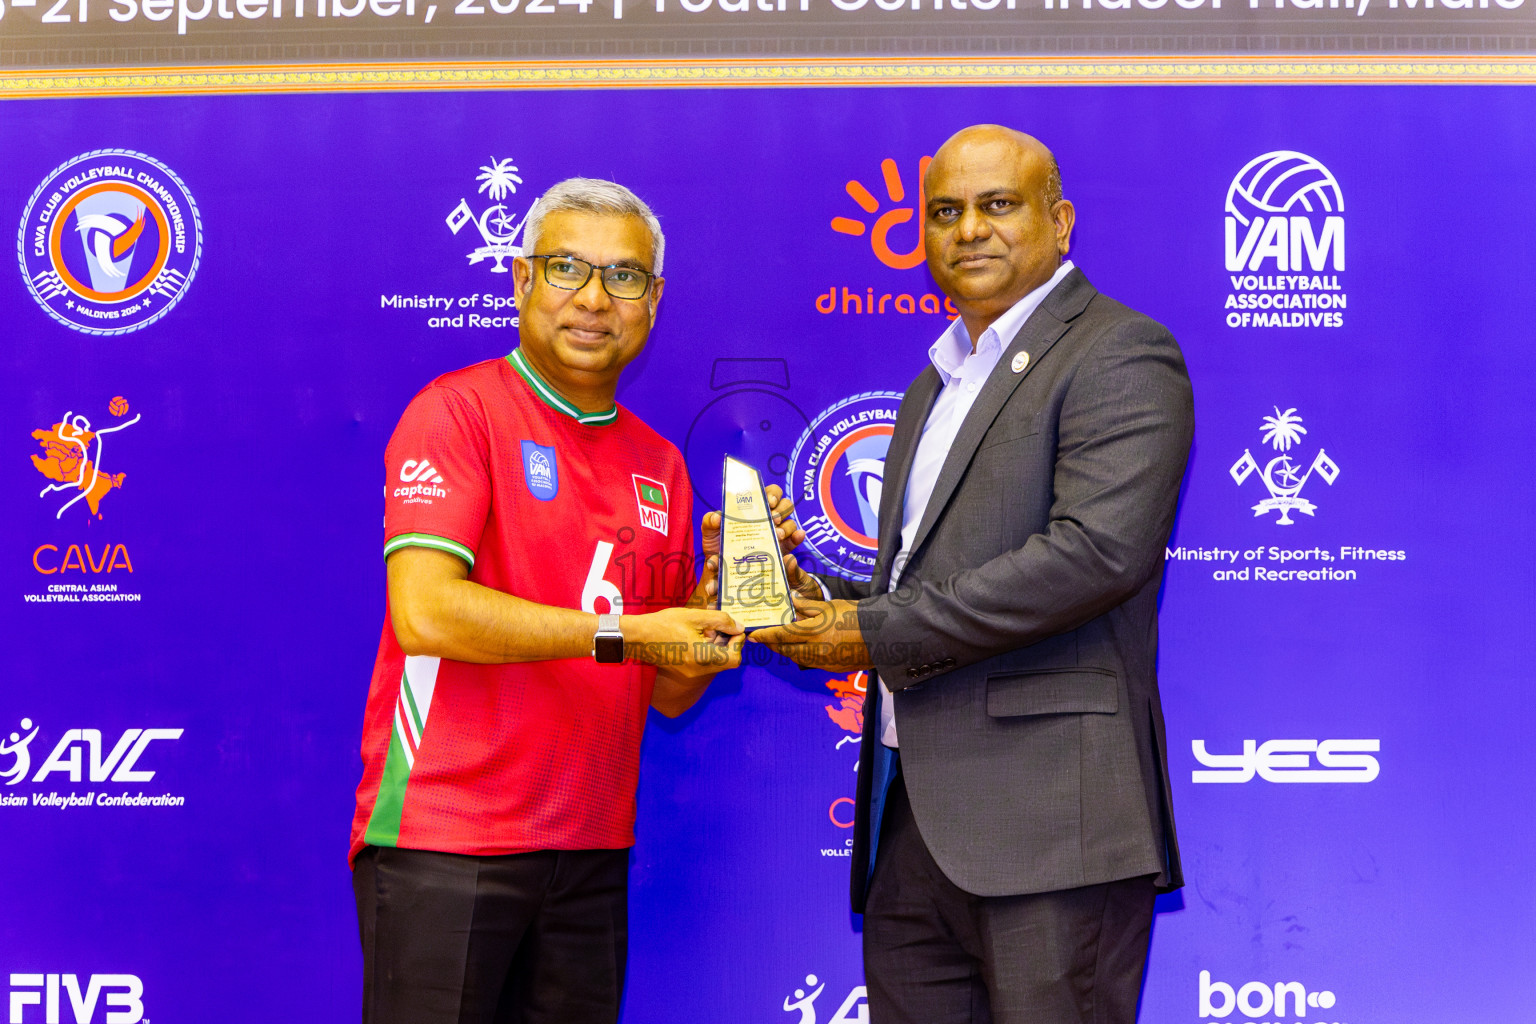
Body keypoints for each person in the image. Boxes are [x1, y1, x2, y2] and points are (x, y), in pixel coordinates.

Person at [753, 126, 1195, 1023]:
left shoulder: (1121, 352)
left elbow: (1095, 554)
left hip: (1050, 833)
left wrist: (867, 632)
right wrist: (813, 602)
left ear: (1059, 221)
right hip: (909, 821)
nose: (968, 231)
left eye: (998, 205)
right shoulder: (935, 384)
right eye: (945, 212)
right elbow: (920, 585)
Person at [349, 177, 800, 1024]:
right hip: (447, 839)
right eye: (567, 268)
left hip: (591, 848)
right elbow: (426, 612)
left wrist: (720, 602)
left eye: (624, 277)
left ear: (654, 301)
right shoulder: (456, 413)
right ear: (522, 281)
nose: (594, 298)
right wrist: (627, 631)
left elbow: (668, 686)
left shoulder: (659, 461)